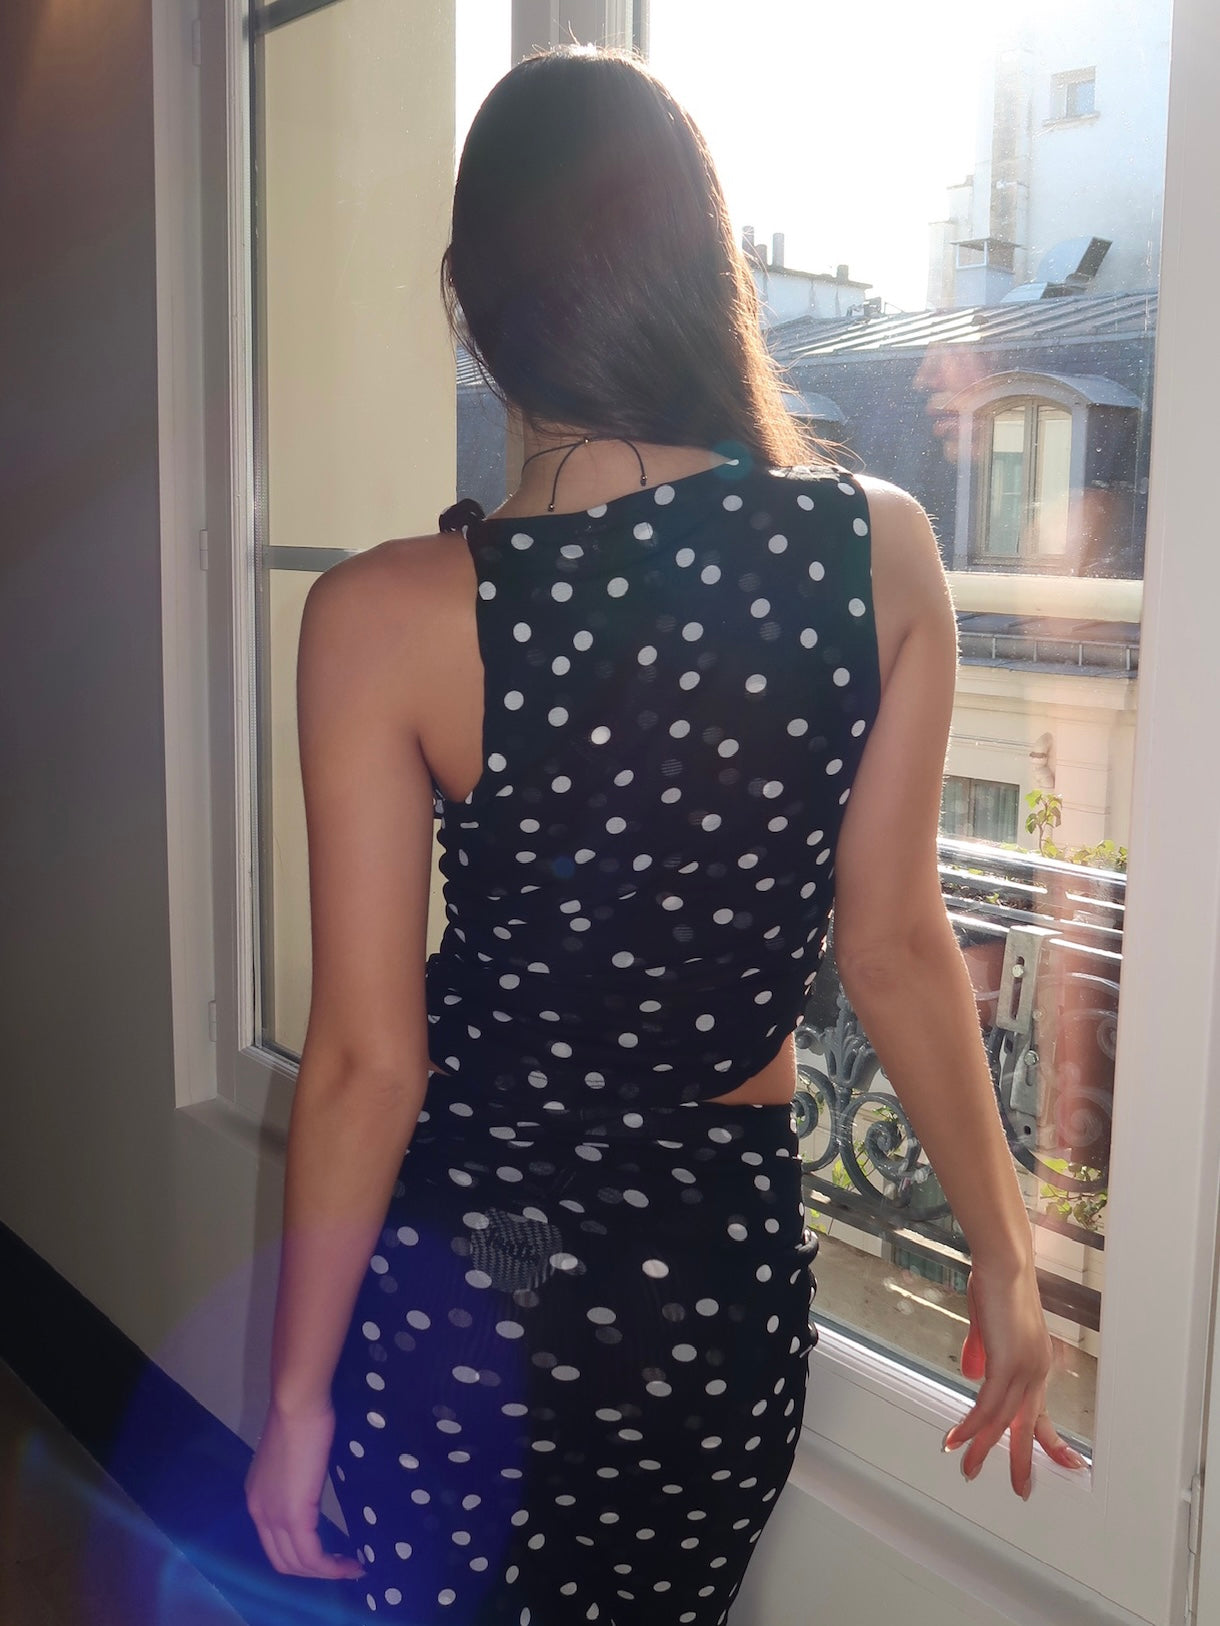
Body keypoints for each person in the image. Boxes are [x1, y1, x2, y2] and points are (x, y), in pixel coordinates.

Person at [244, 42, 1087, 1624]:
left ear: (475, 305)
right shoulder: (881, 551)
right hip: (711, 1291)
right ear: (707, 274)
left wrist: (293, 1399)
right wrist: (1004, 1248)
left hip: (469, 1276)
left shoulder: (384, 617)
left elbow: (367, 1061)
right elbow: (896, 946)